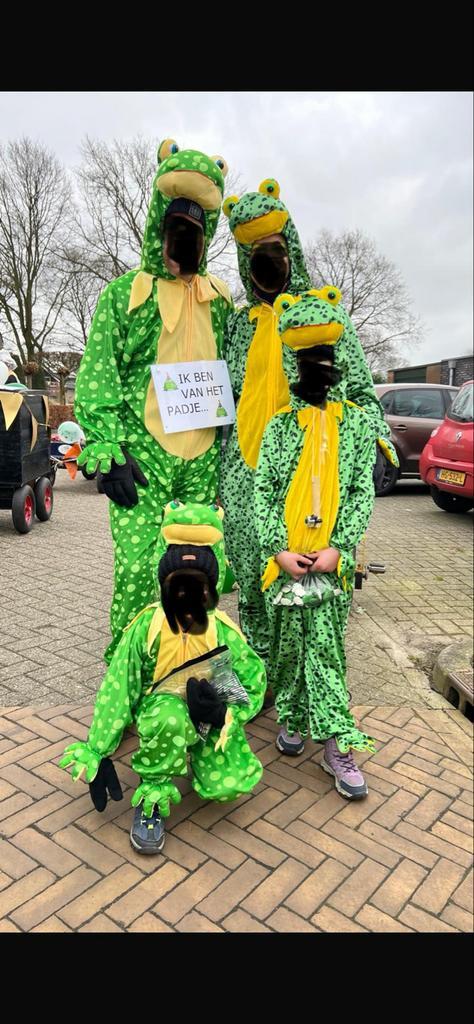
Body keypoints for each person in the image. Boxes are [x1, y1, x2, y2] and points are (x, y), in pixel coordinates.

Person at [220, 180, 397, 673]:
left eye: (275, 250)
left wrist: (373, 441)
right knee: (256, 579)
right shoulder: (237, 326)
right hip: (245, 474)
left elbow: (361, 393)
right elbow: (217, 401)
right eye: (255, 252)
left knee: (312, 588)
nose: (267, 261)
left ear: (291, 249)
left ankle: (308, 685)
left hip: (313, 480)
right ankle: (261, 677)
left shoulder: (324, 317)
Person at [74, 139, 233, 663]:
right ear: (158, 230)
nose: (183, 243)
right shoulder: (125, 295)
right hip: (145, 457)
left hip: (204, 460)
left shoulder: (221, 301)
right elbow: (99, 378)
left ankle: (188, 667)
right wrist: (109, 447)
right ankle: (128, 674)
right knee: (139, 568)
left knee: (199, 566)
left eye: (194, 233)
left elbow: (243, 370)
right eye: (175, 231)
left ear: (206, 238)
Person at [59, 502, 266, 853]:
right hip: (162, 707)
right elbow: (118, 686)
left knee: (228, 785)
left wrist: (223, 713)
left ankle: (197, 753)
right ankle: (152, 792)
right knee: (166, 720)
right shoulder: (147, 626)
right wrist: (98, 747)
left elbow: (253, 680)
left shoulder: (222, 631)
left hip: (207, 715)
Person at [253, 290, 376, 798]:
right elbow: (264, 492)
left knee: (326, 654)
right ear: (292, 363)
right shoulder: (280, 427)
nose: (318, 369)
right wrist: (278, 550)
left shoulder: (356, 424)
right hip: (287, 563)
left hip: (328, 562)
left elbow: (360, 490)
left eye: (325, 359)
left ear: (340, 360)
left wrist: (340, 551)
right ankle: (293, 716)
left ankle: (337, 743)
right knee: (286, 650)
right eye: (307, 361)